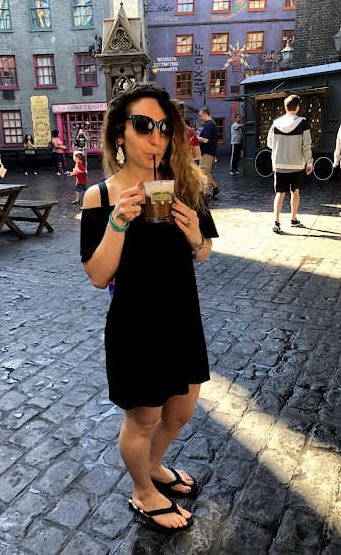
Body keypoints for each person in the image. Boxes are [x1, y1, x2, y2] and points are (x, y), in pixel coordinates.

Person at [80, 82, 218, 533]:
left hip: (182, 318)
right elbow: (99, 276)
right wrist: (118, 221)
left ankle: (155, 466)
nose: (156, 136)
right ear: (120, 133)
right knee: (143, 418)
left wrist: (195, 232)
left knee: (181, 411)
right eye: (143, 126)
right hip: (135, 326)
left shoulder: (185, 184)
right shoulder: (100, 198)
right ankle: (143, 491)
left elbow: (203, 252)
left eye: (164, 127)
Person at [267, 94, 313, 233]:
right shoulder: (303, 123)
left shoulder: (276, 123)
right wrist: (309, 162)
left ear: (285, 107)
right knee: (295, 192)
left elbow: (269, 143)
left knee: (279, 193)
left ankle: (276, 220)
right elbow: (306, 145)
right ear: (297, 107)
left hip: (279, 163)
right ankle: (293, 218)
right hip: (297, 164)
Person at [197, 108, 220, 197]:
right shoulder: (211, 124)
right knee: (206, 172)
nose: (200, 118)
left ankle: (206, 193)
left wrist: (195, 137)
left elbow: (206, 140)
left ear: (206, 115)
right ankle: (215, 188)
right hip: (209, 152)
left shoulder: (209, 124)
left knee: (202, 172)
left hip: (207, 152)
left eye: (201, 116)